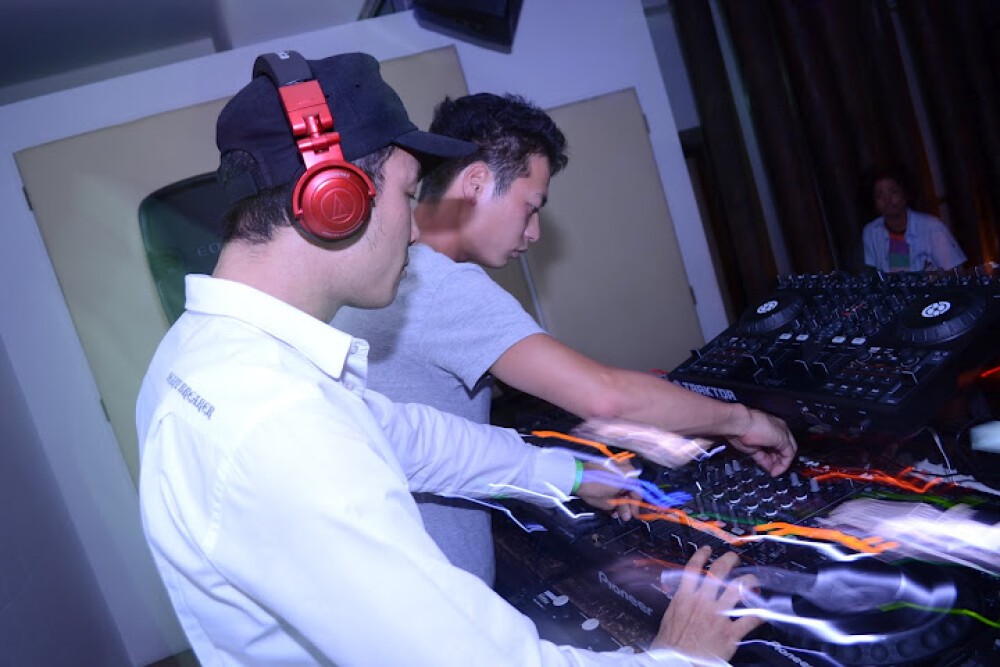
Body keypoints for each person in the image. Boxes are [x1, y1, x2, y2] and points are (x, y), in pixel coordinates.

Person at [136, 51, 763, 666]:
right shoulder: (279, 424)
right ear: (335, 201)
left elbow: (413, 438)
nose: (414, 229)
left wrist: (569, 475)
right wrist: (682, 658)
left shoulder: (204, 355)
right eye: (407, 194)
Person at [332, 93, 798, 586]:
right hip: (435, 591)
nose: (533, 232)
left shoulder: (381, 272)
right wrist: (742, 421)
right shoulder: (445, 285)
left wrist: (577, 473)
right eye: (530, 207)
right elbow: (607, 397)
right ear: (475, 183)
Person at [862, 166, 966, 272]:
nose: (887, 200)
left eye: (893, 192)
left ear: (905, 193)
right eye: (879, 195)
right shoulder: (871, 232)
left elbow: (956, 272)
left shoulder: (932, 227)